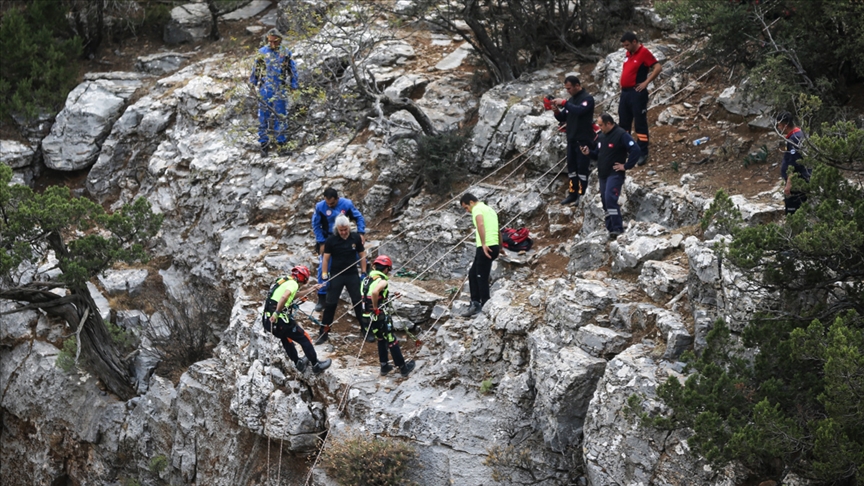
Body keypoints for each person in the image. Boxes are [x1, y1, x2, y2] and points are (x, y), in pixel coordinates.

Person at [581, 113, 642, 239]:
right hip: (603, 174)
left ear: (608, 123)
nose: (599, 127)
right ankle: (610, 229)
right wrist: (588, 153)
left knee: (610, 199)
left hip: (615, 174)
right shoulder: (601, 136)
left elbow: (635, 149)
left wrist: (626, 166)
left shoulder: (621, 134)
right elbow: (597, 155)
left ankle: (618, 228)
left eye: (601, 125)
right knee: (605, 201)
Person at [262, 266, 332, 373]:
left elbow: (293, 295)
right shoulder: (293, 284)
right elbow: (285, 297)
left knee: (286, 338)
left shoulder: (285, 280)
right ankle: (316, 365)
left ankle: (298, 363)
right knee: (304, 338)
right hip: (278, 320)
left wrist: (312, 289)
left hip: (267, 320)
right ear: (304, 279)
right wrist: (277, 313)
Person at [311, 187, 366, 312]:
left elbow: (359, 218)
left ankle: (364, 281)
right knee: (323, 266)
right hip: (329, 239)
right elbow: (316, 225)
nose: (329, 206)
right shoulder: (320, 207)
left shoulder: (347, 204)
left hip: (345, 237)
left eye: (332, 203)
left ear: (337, 199)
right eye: (327, 203)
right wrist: (321, 242)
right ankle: (322, 296)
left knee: (359, 258)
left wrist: (361, 232)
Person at [361, 255, 416, 377]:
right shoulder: (382, 281)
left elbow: (371, 295)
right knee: (391, 339)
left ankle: (384, 365)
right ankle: (403, 368)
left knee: (381, 338)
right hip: (379, 316)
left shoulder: (366, 279)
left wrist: (390, 296)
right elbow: (375, 292)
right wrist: (376, 308)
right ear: (386, 269)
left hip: (366, 316)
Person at [317, 215, 368, 344]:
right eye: (341, 230)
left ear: (349, 228)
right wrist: (324, 275)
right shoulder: (331, 240)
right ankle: (323, 333)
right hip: (337, 274)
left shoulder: (355, 238)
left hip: (352, 274)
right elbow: (326, 259)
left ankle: (365, 329)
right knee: (330, 303)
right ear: (337, 229)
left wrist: (363, 272)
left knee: (358, 302)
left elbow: (362, 255)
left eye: (345, 230)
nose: (344, 232)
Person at [249, 28, 298, 157]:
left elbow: (292, 70)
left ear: (280, 40)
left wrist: (294, 86)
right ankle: (264, 146)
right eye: (269, 41)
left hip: (280, 88)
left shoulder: (285, 53)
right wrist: (252, 83)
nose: (272, 44)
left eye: (275, 41)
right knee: (263, 117)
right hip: (265, 88)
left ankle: (281, 146)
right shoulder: (262, 52)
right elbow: (256, 69)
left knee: (280, 117)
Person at [618, 31, 661, 166]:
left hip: (637, 93)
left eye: (627, 45)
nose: (625, 48)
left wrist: (646, 82)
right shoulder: (628, 54)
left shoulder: (644, 53)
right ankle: (625, 149)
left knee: (639, 122)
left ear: (634, 42)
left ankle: (642, 152)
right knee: (624, 122)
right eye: (624, 46)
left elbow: (657, 67)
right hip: (625, 93)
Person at [551, 76, 595, 205]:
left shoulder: (587, 99)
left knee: (582, 169)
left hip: (583, 140)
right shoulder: (571, 100)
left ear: (577, 86)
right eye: (566, 89)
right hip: (571, 139)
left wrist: (564, 103)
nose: (568, 91)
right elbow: (562, 117)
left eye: (569, 88)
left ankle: (581, 194)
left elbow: (580, 111)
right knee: (572, 169)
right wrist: (556, 111)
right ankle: (572, 193)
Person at [459, 193, 500, 318]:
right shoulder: (490, 210)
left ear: (471, 202)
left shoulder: (477, 209)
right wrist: (501, 247)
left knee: (481, 276)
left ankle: (484, 306)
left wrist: (483, 244)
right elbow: (498, 229)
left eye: (466, 208)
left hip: (486, 246)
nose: (467, 211)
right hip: (494, 245)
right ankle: (475, 302)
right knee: (473, 273)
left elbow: (480, 224)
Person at [776, 112, 811, 215]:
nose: (778, 127)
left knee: (793, 211)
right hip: (804, 177)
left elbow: (794, 164)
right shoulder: (800, 133)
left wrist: (789, 184)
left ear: (785, 125)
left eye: (779, 125)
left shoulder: (794, 140)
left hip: (797, 182)